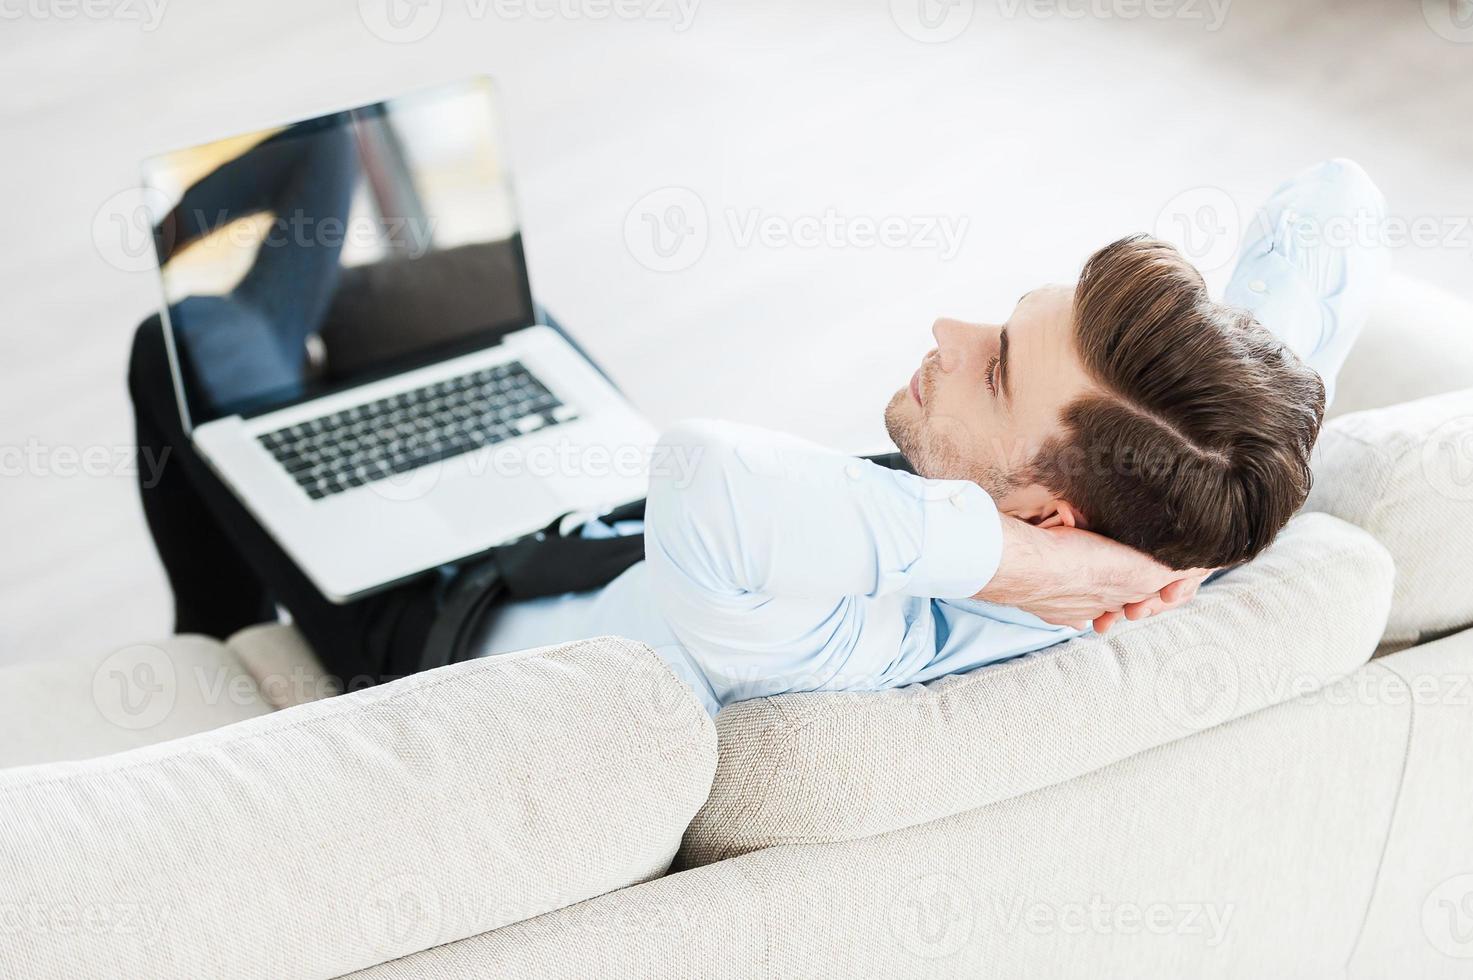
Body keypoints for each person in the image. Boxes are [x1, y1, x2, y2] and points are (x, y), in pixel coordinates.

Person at [130, 159, 1388, 711]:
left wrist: (1044, 570)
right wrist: (1190, 536)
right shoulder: (1202, 497)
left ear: (1044, 523)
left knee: (189, 331)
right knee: (398, 288)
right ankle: (287, 300)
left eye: (994, 366)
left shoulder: (854, 632)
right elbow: (1338, 199)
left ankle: (222, 631)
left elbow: (707, 477)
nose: (948, 328)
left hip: (431, 606)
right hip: (592, 510)